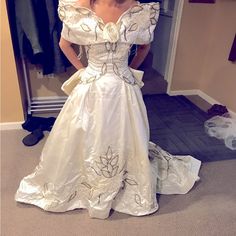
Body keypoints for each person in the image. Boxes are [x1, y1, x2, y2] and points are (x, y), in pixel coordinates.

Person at [15, 0, 201, 219]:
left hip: (123, 87)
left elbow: (145, 46)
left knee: (124, 134)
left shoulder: (136, 8)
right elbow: (64, 44)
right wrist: (83, 70)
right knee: (84, 132)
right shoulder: (80, 6)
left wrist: (130, 69)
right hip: (92, 85)